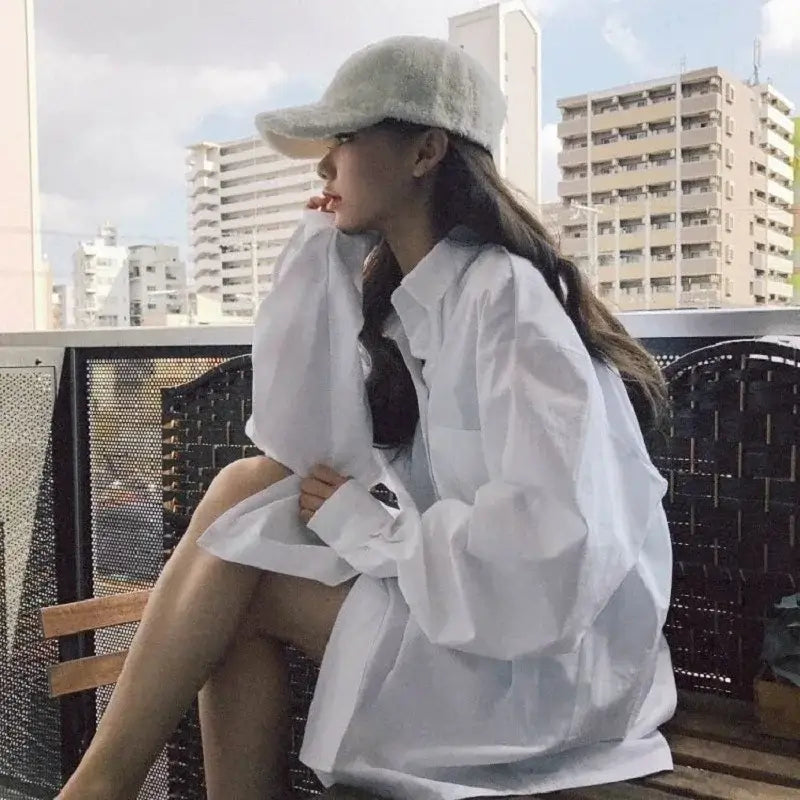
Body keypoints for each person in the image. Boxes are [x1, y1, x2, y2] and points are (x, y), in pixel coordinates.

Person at [58, 35, 676, 800]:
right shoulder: (418, 308)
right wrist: (323, 255)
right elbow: (292, 449)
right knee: (242, 487)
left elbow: (555, 547)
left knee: (240, 595)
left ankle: (96, 788)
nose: (323, 165)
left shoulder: (505, 300)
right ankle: (100, 787)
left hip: (547, 665)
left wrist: (374, 530)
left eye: (344, 138)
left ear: (425, 152)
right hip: (477, 604)